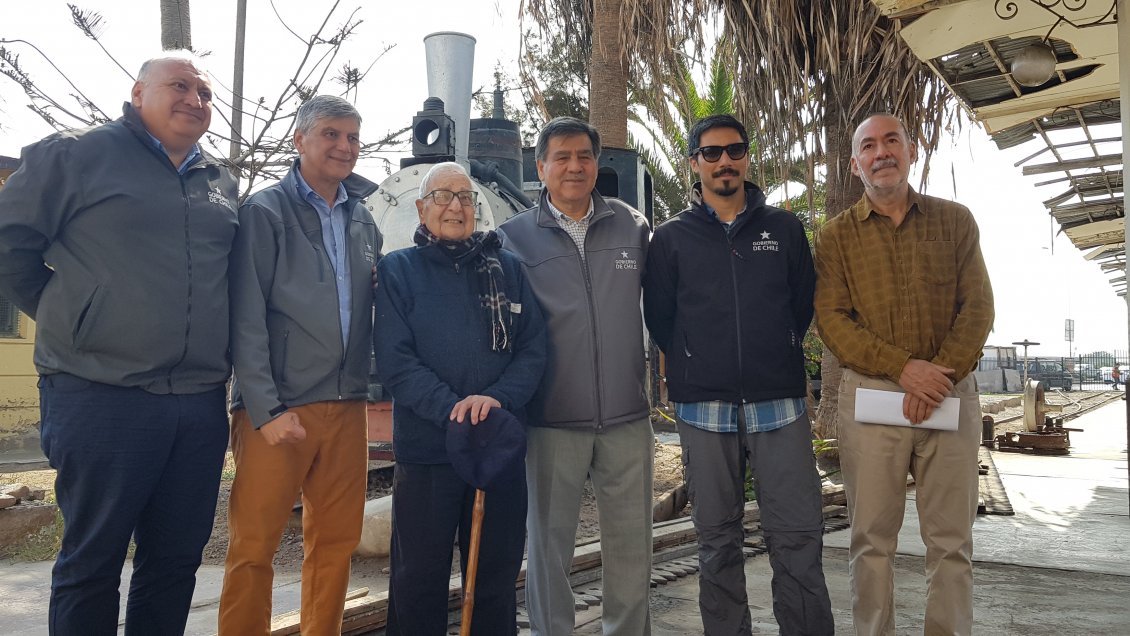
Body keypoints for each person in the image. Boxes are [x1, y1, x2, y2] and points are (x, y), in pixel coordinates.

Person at [0, 52, 237, 635]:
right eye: (179, 86)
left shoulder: (219, 180)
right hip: (100, 393)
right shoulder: (75, 155)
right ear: (138, 93)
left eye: (206, 94)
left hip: (198, 401)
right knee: (93, 560)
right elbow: (9, 244)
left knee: (176, 560)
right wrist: (70, 316)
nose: (195, 100)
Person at [643, 114, 833, 635]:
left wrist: (776, 350)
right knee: (717, 542)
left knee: (797, 537)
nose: (724, 161)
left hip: (780, 406)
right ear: (694, 163)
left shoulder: (785, 229)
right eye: (711, 152)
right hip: (703, 410)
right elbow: (660, 317)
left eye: (734, 150)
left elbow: (800, 304)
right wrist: (695, 362)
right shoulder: (670, 239)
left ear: (747, 157)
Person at [814, 113, 995, 635]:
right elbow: (832, 321)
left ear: (912, 151)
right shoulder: (835, 238)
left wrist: (936, 378)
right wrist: (904, 369)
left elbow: (978, 307)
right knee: (871, 541)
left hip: (948, 392)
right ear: (855, 165)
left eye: (892, 141)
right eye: (869, 146)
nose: (882, 153)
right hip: (873, 398)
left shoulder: (955, 221)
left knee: (951, 542)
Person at [218, 95, 382, 635]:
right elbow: (245, 317)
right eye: (331, 134)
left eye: (353, 137)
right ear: (299, 139)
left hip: (347, 405)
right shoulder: (265, 212)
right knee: (254, 547)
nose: (344, 146)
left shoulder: (364, 220)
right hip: (278, 408)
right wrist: (265, 409)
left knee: (335, 544)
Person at [375, 161, 547, 635]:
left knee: (494, 574)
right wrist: (453, 409)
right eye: (443, 196)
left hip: (497, 447)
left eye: (465, 197)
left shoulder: (507, 269)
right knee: (417, 578)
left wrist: (495, 401)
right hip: (428, 452)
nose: (456, 206)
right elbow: (396, 359)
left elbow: (533, 350)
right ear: (421, 208)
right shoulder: (398, 270)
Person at [498, 116, 654, 635]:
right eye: (561, 157)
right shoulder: (512, 239)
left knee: (632, 546)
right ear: (540, 167)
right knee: (548, 549)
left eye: (584, 156)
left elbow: (666, 305)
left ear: (597, 163)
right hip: (551, 419)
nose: (574, 166)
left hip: (627, 415)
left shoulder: (633, 227)